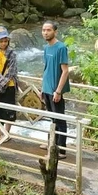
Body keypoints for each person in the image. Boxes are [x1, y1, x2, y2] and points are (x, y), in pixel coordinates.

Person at [41, 20, 71, 157]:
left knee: (60, 119)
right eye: (44, 30)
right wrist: (43, 88)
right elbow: (46, 68)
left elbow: (65, 71)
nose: (46, 32)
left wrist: (58, 91)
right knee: (52, 118)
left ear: (55, 32)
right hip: (47, 88)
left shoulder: (61, 48)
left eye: (49, 30)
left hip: (55, 90)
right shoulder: (46, 48)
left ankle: (61, 149)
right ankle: (52, 144)